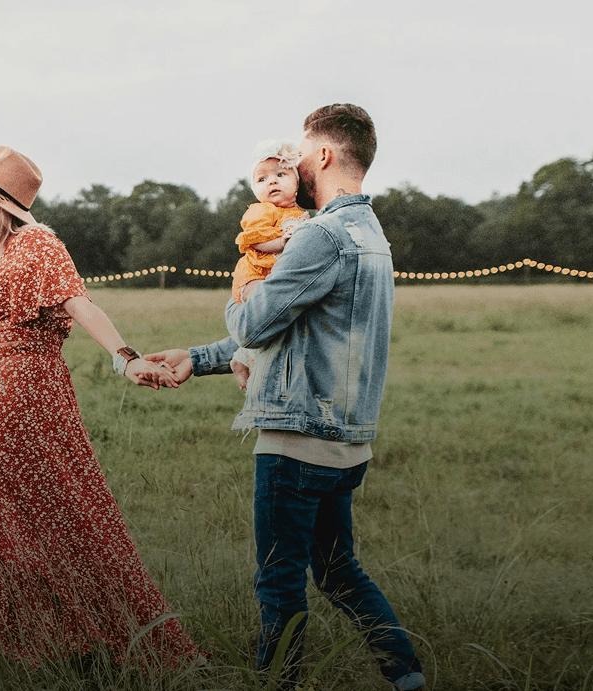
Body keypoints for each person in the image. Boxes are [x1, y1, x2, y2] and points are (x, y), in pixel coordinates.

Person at [142, 104, 427, 690]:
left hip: (297, 439)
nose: (292, 161)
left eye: (300, 151)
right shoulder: (371, 235)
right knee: (339, 570)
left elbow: (252, 326)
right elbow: (292, 329)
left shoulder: (320, 235)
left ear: (322, 156)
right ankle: (407, 675)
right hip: (347, 440)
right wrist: (196, 359)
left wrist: (239, 282)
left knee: (278, 581)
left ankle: (279, 684)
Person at [0, 146, 199, 668]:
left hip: (24, 395)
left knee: (57, 515)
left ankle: (65, 640)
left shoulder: (38, 244)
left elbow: (79, 302)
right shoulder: (4, 256)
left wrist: (126, 358)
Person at [231, 140, 312, 388]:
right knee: (266, 309)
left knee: (278, 320)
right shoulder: (262, 211)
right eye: (262, 179)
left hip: (272, 274)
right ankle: (244, 358)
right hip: (254, 274)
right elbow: (253, 242)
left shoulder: (299, 213)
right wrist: (281, 242)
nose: (272, 182)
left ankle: (243, 358)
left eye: (280, 174)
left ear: (297, 182)